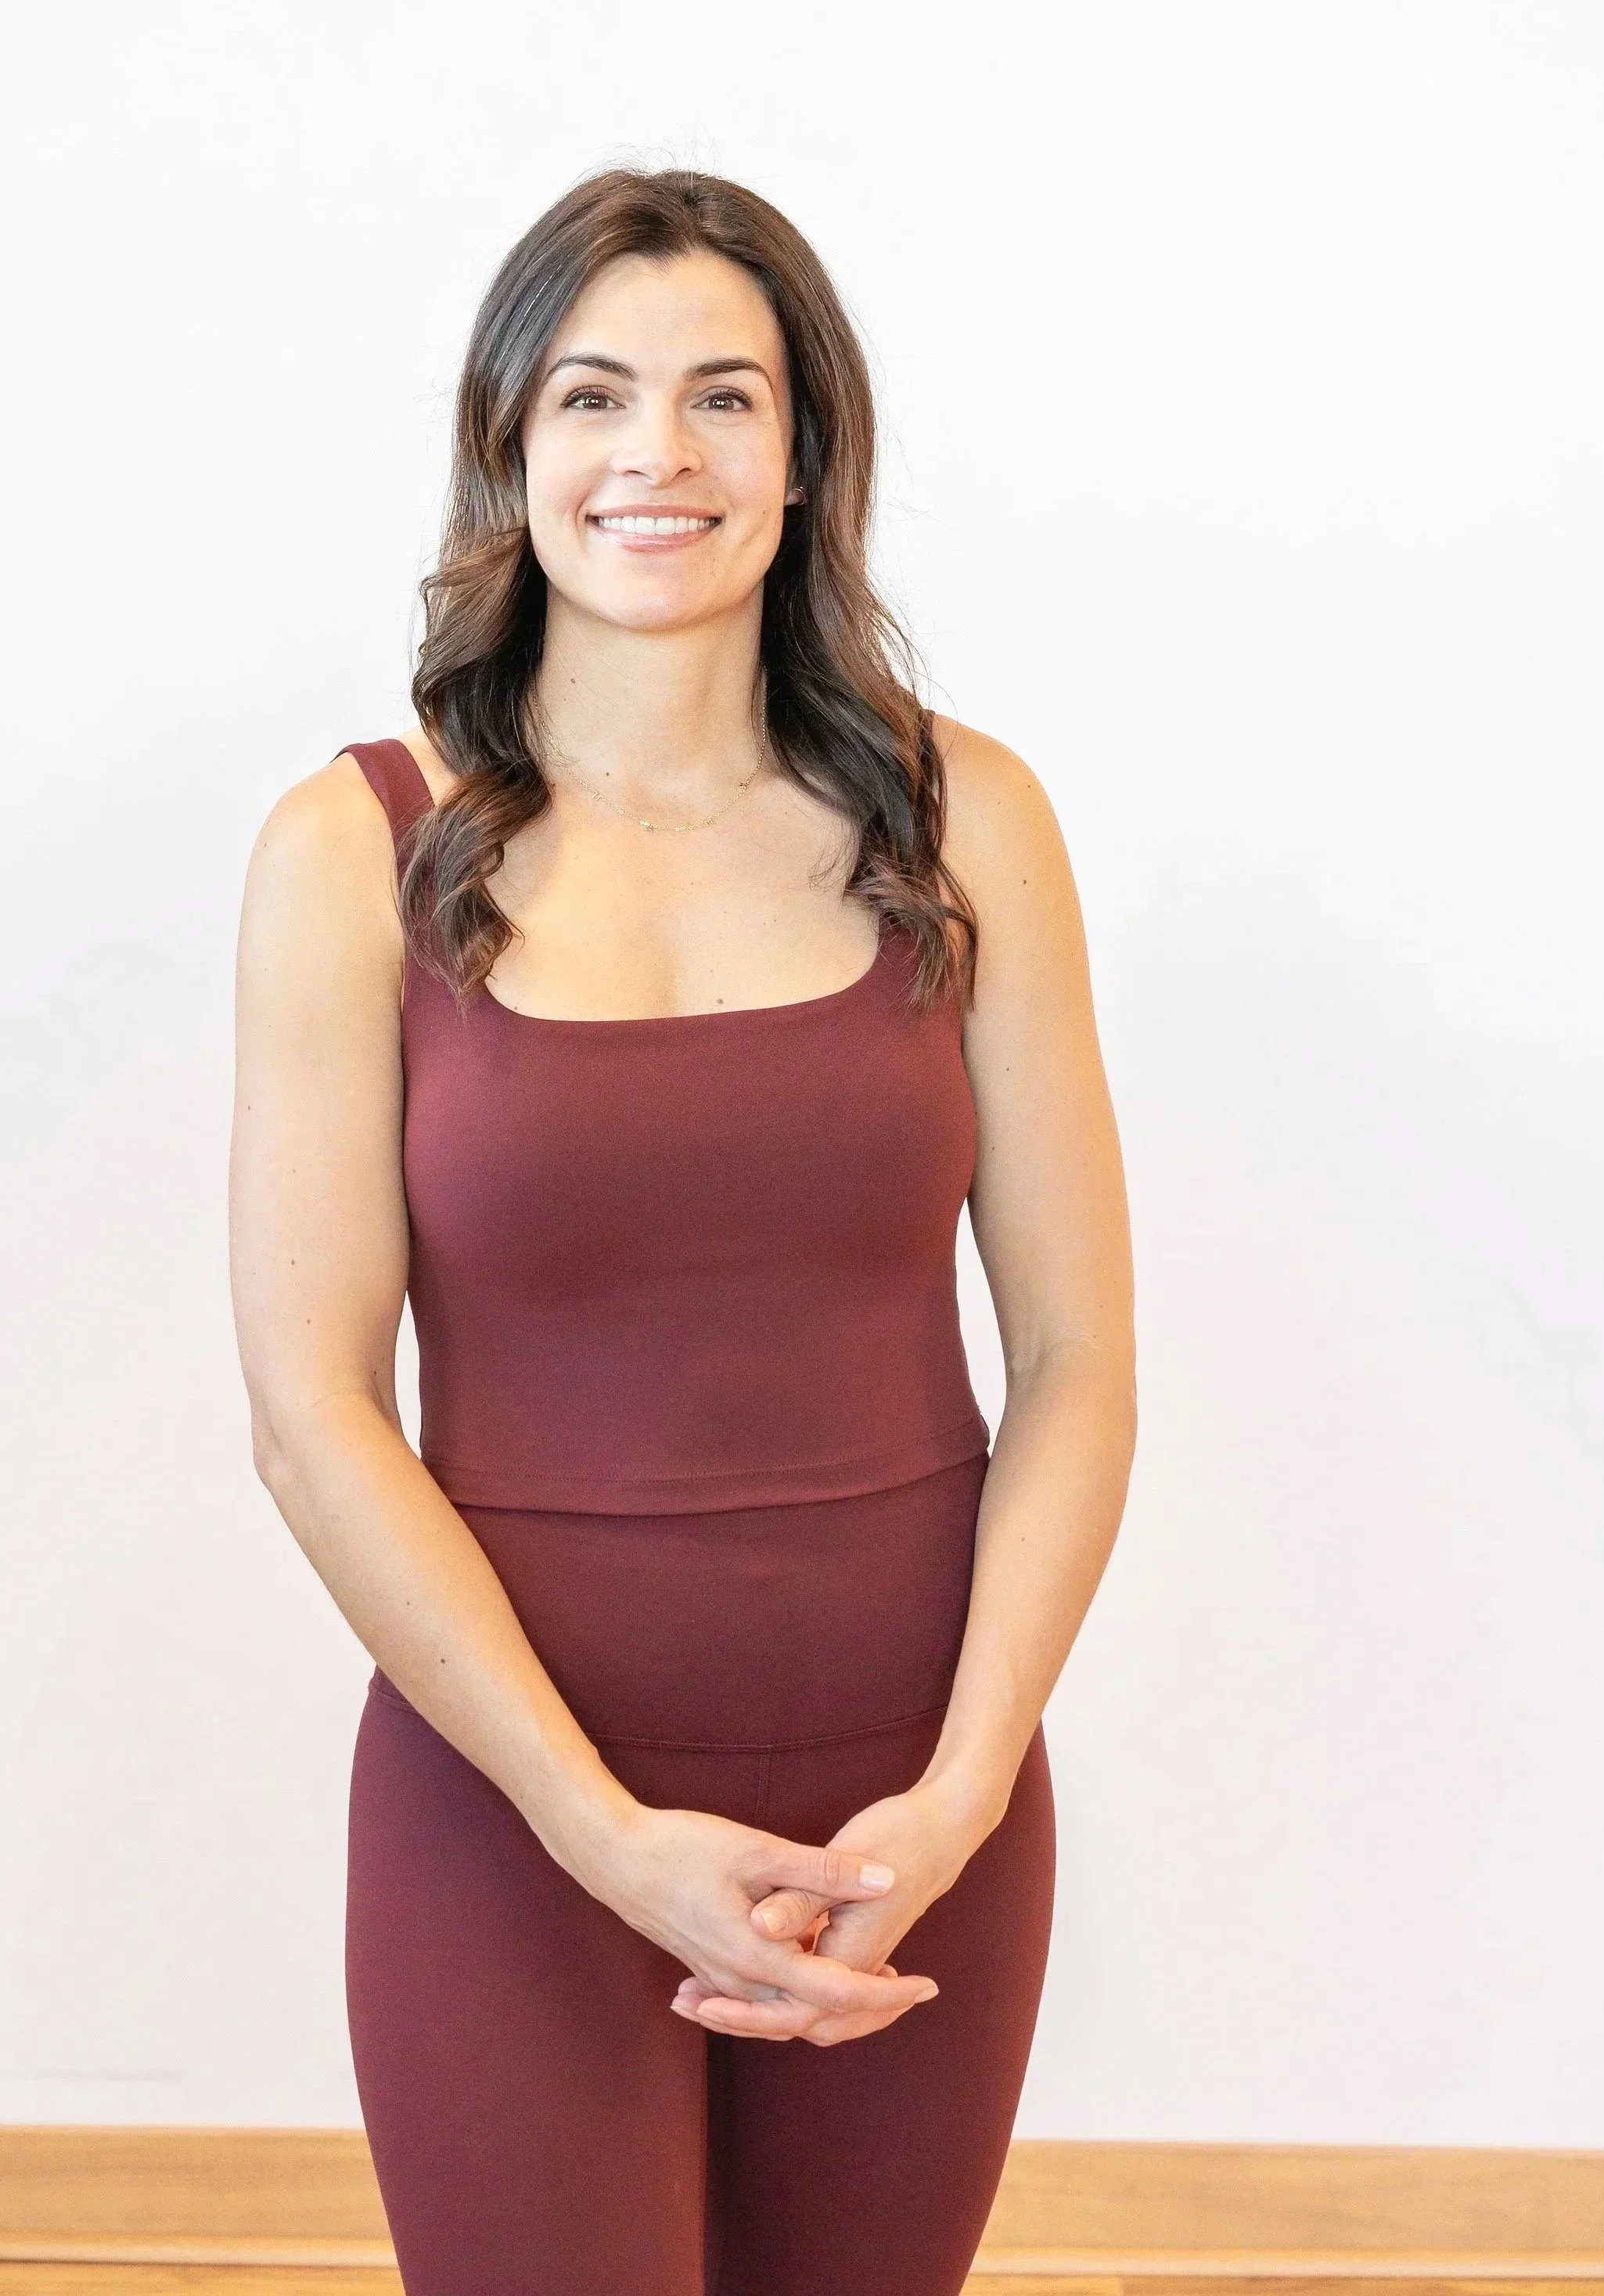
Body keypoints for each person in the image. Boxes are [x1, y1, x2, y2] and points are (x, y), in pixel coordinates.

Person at [228, 167, 1136, 2296]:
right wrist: (590, 1829)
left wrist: (966, 1782)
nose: (659, 456)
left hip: (910, 1815)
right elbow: (309, 1410)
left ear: (806, 450)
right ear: (508, 448)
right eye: (592, 398)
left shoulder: (960, 814)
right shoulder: (356, 850)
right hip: (515, 1810)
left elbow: (1080, 1359)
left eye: (723, 397)